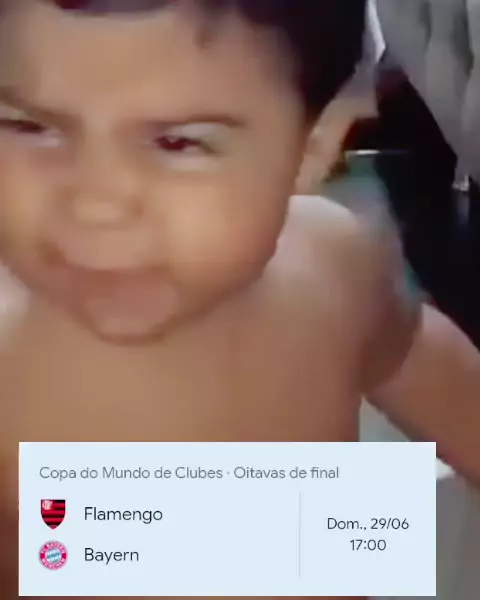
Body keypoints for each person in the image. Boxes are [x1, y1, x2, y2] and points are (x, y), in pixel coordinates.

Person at [0, 2, 478, 600]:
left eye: (177, 142)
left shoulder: (336, 270)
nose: (95, 203)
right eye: (29, 126)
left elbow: (417, 358)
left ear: (315, 145)